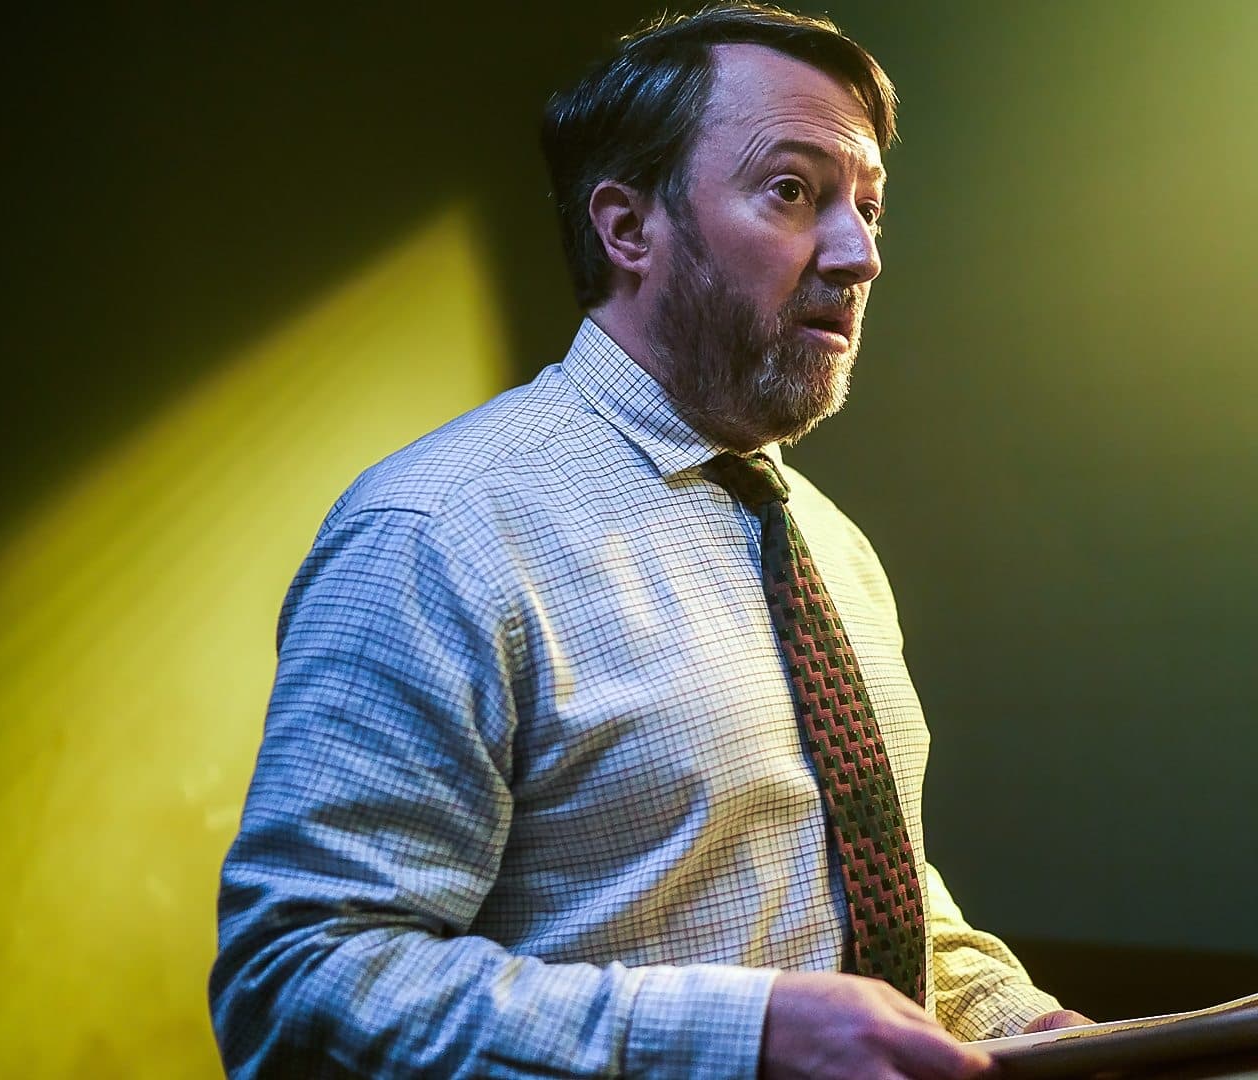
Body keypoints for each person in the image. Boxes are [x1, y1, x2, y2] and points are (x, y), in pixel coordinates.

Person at [209, 4, 1092, 1077]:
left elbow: (860, 895)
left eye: (868, 207)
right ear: (628, 228)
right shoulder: (438, 533)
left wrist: (1025, 1028)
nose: (859, 254)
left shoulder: (829, 545)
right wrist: (740, 1036)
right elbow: (293, 984)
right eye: (793, 191)